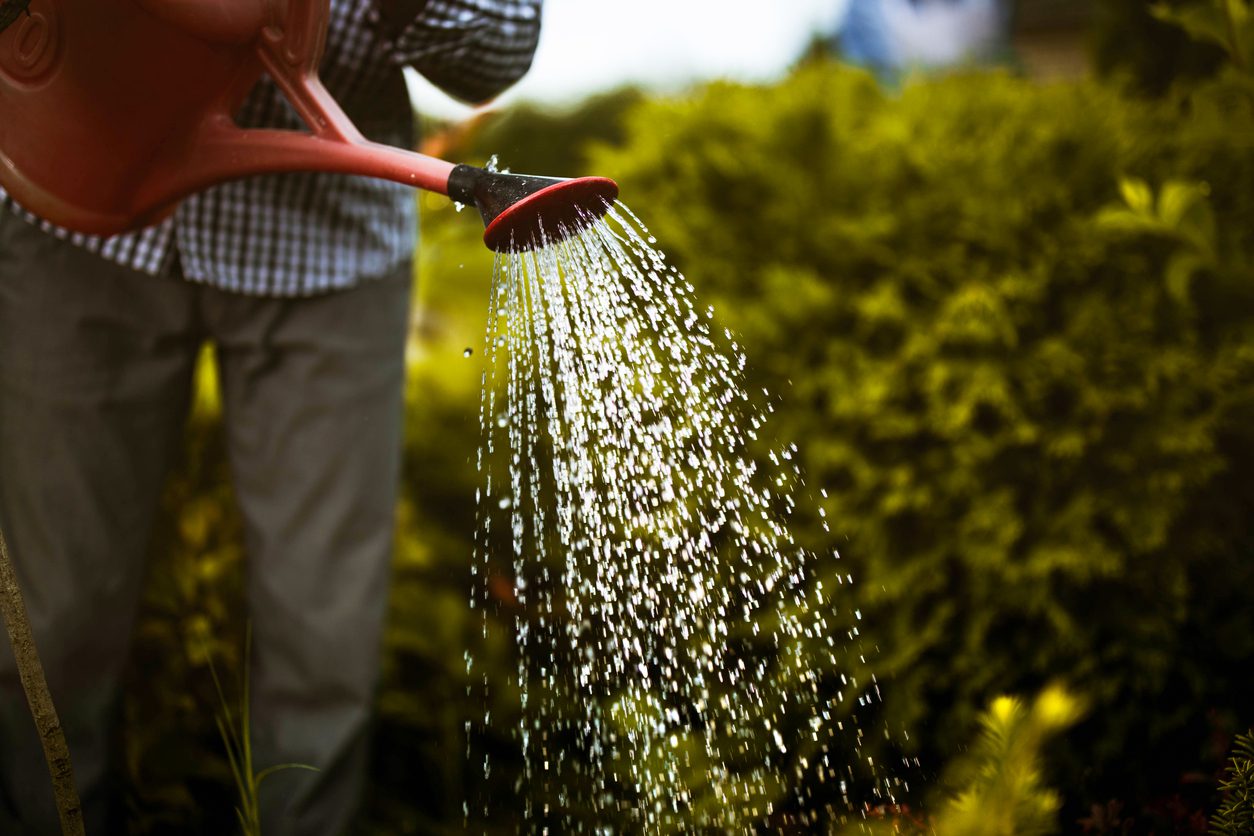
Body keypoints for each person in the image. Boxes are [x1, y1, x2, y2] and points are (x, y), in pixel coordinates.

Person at [0, 0, 542, 832]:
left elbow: (501, 43)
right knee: (51, 625)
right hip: (72, 199)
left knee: (321, 641)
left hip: (325, 239)